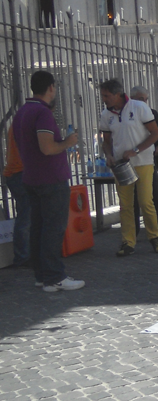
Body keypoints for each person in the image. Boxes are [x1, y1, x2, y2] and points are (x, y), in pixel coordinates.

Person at [12, 71, 84, 291]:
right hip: (50, 178)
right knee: (53, 228)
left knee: (38, 228)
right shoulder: (42, 113)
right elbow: (47, 147)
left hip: (31, 177)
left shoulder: (22, 112)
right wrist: (68, 142)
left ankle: (42, 276)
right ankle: (54, 276)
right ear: (51, 87)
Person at [99, 79, 158, 257]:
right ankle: (128, 241)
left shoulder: (139, 107)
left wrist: (136, 150)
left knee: (145, 201)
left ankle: (154, 236)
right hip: (121, 165)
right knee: (125, 204)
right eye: (103, 95)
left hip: (143, 162)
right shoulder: (106, 114)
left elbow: (155, 133)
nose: (104, 99)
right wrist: (109, 155)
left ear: (117, 94)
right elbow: (106, 141)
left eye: (107, 96)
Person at [129, 86, 158, 242]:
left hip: (148, 161)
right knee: (131, 200)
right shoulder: (125, 114)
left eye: (146, 99)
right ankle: (133, 232)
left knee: (152, 198)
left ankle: (156, 231)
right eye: (141, 99)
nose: (144, 102)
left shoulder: (151, 113)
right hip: (129, 162)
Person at [3, 126, 31, 268]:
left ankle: (24, 255)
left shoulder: (17, 123)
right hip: (20, 173)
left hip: (16, 173)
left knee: (25, 214)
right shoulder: (24, 124)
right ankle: (23, 256)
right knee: (26, 216)